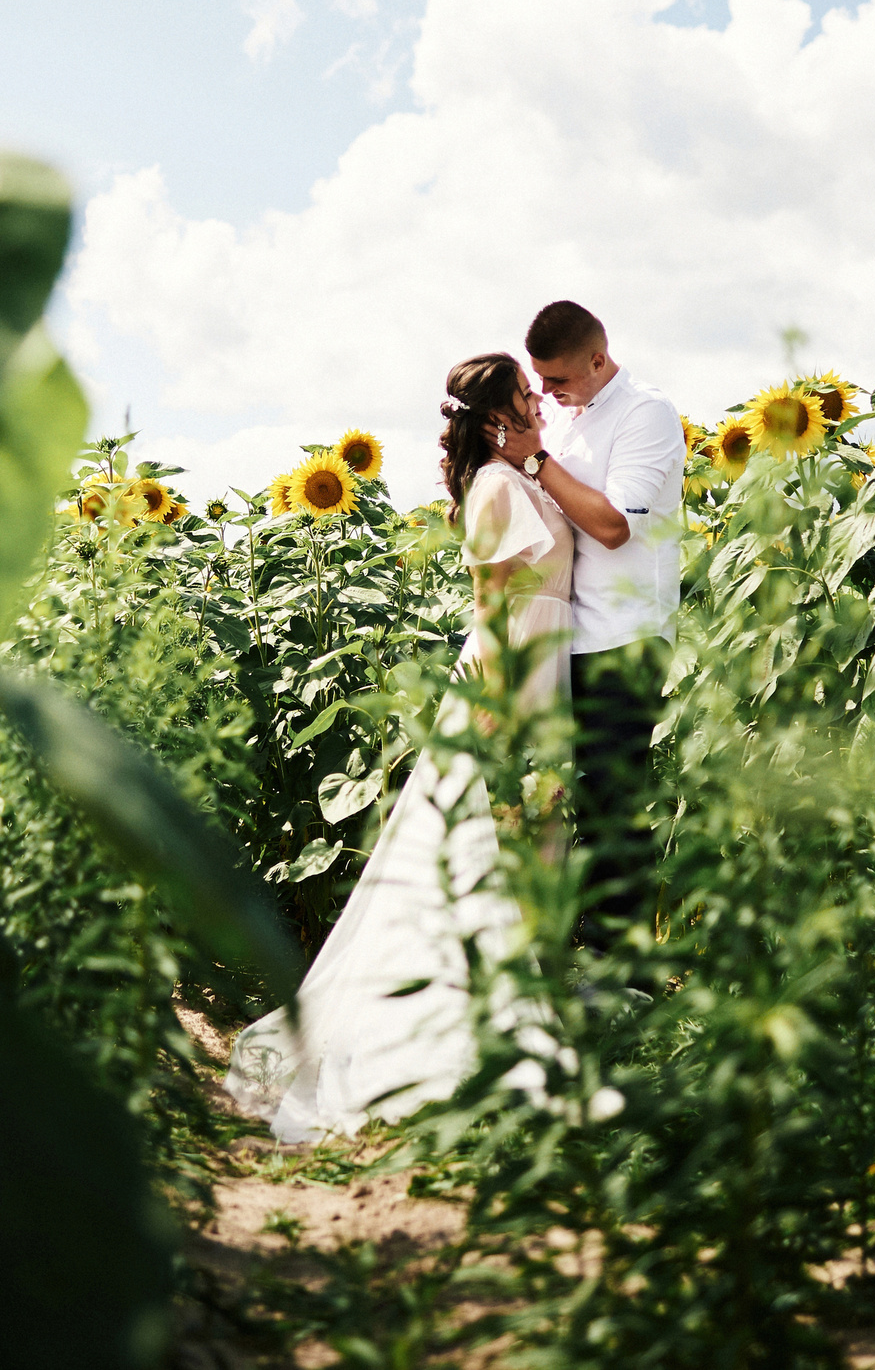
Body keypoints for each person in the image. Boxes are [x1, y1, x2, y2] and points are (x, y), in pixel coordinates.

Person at [224, 352, 572, 1143]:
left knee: (514, 861)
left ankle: (509, 1033)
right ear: (496, 421)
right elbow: (492, 614)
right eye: (528, 399)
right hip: (509, 688)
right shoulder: (495, 489)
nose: (540, 409)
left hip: (540, 685)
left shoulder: (521, 482)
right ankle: (465, 1047)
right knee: (484, 860)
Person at [488, 300, 684, 938]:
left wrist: (538, 460)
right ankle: (576, 948)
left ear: (599, 359)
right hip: (565, 641)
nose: (546, 394)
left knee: (612, 804)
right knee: (560, 800)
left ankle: (621, 975)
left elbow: (611, 526)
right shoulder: (570, 425)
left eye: (559, 380)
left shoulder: (645, 414)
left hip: (624, 638)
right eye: (539, 381)